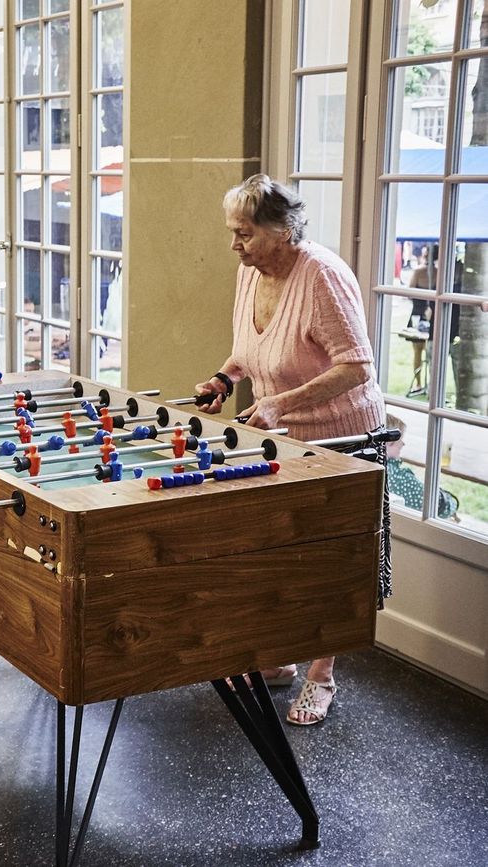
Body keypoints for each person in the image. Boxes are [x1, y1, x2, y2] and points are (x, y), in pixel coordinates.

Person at [195, 174, 385, 727]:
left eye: (244, 233)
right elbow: (248, 351)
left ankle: (322, 677)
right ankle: (276, 659)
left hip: (341, 439)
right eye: (233, 232)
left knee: (325, 564)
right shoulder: (251, 272)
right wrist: (223, 380)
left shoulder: (321, 275)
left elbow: (356, 367)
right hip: (285, 436)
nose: (235, 244)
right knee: (276, 551)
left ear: (281, 230)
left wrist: (281, 405)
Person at [385, 413, 457, 519]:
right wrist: (452, 502)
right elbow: (438, 505)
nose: (403, 444)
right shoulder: (395, 476)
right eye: (399, 440)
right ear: (388, 442)